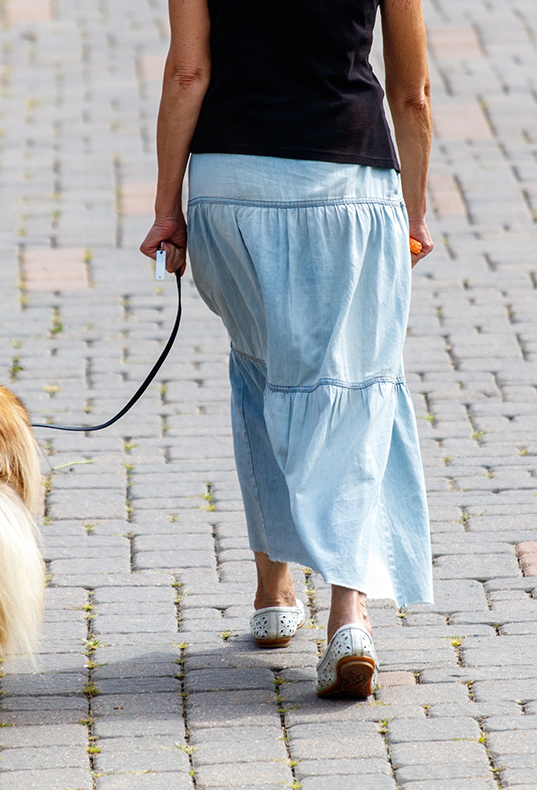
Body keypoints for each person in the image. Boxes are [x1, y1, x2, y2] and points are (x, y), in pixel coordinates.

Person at [141, 0, 434, 699]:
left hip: (230, 190)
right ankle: (347, 616)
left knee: (262, 372)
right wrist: (415, 213)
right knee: (353, 391)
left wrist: (166, 208)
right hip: (347, 184)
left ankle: (273, 591)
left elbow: (188, 73)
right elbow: (411, 93)